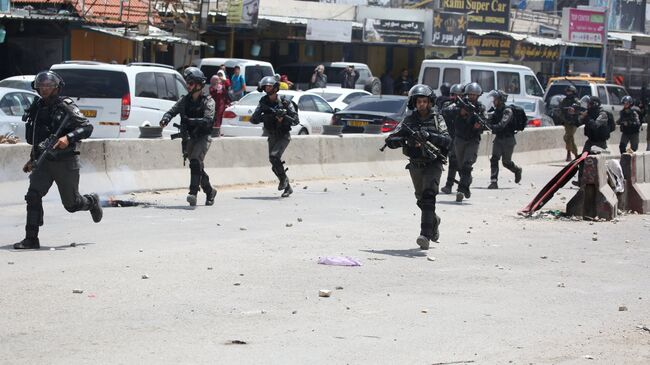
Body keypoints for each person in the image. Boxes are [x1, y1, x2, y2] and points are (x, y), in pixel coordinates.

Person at [13, 71, 102, 249]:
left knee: (71, 205)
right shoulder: (37, 107)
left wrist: (68, 138)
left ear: (56, 87)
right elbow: (38, 138)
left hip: (65, 161)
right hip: (44, 161)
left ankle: (91, 201)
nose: (45, 89)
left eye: (49, 85)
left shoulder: (65, 105)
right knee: (33, 195)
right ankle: (31, 238)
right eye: (42, 85)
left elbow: (87, 127)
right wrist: (32, 159)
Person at [384, 84, 451, 250]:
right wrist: (407, 141)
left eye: (424, 101)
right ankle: (434, 221)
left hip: (433, 163)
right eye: (419, 101)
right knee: (421, 200)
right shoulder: (408, 121)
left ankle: (425, 235)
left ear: (430, 102)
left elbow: (448, 141)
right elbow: (390, 141)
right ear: (414, 103)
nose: (422, 104)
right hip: (416, 165)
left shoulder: (438, 119)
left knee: (429, 197)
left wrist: (430, 136)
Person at [160, 67, 217, 207]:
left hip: (203, 137)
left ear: (199, 85)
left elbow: (208, 120)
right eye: (188, 83)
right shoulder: (184, 101)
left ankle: (193, 194)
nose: (188, 86)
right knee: (196, 166)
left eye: (191, 83)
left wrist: (190, 121)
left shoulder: (208, 101)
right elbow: (172, 111)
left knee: (195, 162)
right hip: (189, 138)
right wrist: (165, 119)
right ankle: (210, 191)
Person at [250, 76, 299, 198]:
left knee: (274, 156)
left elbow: (295, 121)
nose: (267, 88)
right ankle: (287, 186)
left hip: (283, 135)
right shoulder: (263, 102)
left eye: (270, 86)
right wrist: (268, 116)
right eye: (266, 86)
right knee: (273, 162)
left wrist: (283, 118)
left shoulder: (285, 102)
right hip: (271, 135)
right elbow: (254, 119)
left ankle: (283, 181)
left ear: (276, 88)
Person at [453, 82, 485, 202]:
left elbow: (485, 121)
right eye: (470, 94)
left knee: (467, 165)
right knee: (461, 168)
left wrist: (479, 126)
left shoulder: (480, 108)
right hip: (460, 138)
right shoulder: (459, 104)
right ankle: (466, 186)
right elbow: (447, 112)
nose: (472, 97)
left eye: (475, 95)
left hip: (473, 140)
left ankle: (461, 190)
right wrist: (460, 113)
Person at [486, 90, 523, 189]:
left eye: (495, 99)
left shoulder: (507, 111)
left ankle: (517, 170)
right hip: (499, 138)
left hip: (508, 139)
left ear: (500, 100)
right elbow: (490, 120)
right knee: (494, 159)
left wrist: (492, 127)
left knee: (506, 162)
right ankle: (494, 181)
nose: (494, 101)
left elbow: (502, 124)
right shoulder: (496, 111)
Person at [575, 95, 612, 185]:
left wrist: (587, 117)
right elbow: (577, 123)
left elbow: (595, 126)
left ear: (594, 104)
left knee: (599, 163)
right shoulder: (589, 113)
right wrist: (577, 114)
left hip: (600, 143)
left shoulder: (602, 114)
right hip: (590, 142)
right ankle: (581, 181)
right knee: (582, 160)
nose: (588, 107)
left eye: (589, 105)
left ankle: (603, 181)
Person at [440, 83, 464, 194]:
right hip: (450, 137)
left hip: (462, 138)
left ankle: (463, 184)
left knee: (458, 163)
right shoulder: (448, 105)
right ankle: (450, 185)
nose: (454, 97)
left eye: (457, 95)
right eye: (453, 95)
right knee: (453, 161)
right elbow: (444, 112)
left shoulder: (466, 106)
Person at [558, 85, 580, 161]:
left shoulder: (576, 101)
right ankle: (574, 154)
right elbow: (561, 112)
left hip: (573, 123)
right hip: (567, 122)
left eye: (569, 91)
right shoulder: (564, 101)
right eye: (567, 91)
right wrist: (565, 120)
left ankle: (571, 154)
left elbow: (578, 113)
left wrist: (574, 118)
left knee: (568, 137)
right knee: (568, 138)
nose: (568, 93)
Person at [209, 71, 231, 138]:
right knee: (213, 118)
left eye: (216, 79)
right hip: (213, 105)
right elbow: (212, 94)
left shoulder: (222, 87)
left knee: (219, 118)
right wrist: (216, 89)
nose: (216, 81)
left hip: (221, 105)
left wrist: (228, 103)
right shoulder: (211, 88)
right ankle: (213, 131)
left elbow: (226, 95)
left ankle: (218, 132)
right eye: (214, 80)